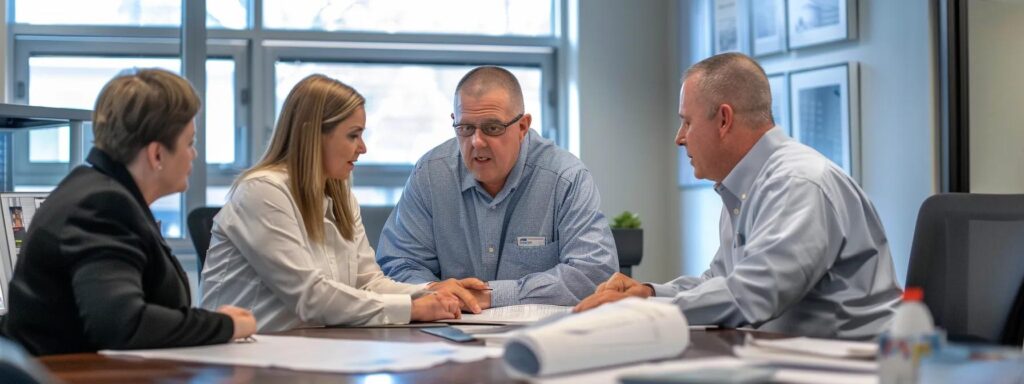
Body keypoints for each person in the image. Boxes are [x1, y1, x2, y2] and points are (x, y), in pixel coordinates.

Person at [575, 53, 903, 339]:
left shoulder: (797, 183)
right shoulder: (746, 186)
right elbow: (722, 281)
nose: (680, 138)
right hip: (798, 358)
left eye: (686, 122)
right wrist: (647, 293)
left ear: (723, 120)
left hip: (858, 366)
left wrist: (643, 311)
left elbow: (754, 293)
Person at [2, 68, 256, 356]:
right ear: (156, 154)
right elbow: (124, 324)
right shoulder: (101, 205)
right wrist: (224, 325)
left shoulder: (101, 192)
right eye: (190, 143)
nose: (194, 154)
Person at [200, 74, 462, 332]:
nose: (363, 148)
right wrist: (411, 308)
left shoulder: (341, 194)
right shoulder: (262, 191)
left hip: (311, 350)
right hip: (246, 358)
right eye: (353, 135)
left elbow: (367, 282)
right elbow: (311, 297)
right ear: (313, 135)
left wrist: (430, 292)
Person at [376, 66, 618, 309]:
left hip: (541, 336)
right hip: (450, 329)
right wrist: (434, 293)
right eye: (466, 128)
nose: (477, 142)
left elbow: (594, 274)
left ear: (522, 127)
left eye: (492, 128)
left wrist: (490, 295)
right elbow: (398, 263)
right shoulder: (430, 174)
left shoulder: (565, 178)